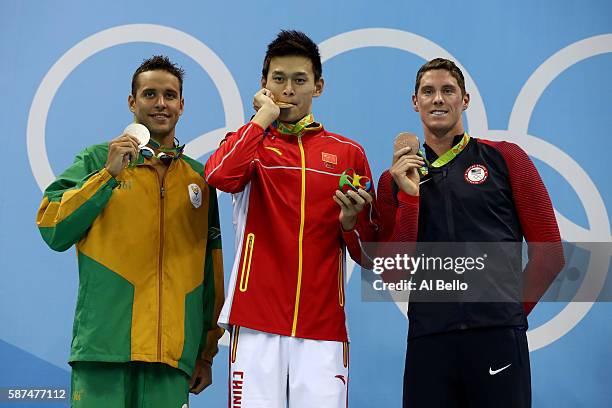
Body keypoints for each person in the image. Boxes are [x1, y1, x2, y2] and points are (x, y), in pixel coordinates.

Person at [36, 55, 225, 408]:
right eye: (150, 94)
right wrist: (107, 177)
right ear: (132, 102)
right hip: (104, 351)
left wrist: (206, 352)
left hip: (170, 360)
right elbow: (53, 228)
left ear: (182, 105)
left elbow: (210, 274)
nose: (160, 104)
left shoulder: (200, 179)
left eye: (170, 96)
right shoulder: (96, 161)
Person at [377, 58, 565, 408]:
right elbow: (393, 271)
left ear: (464, 100)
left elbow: (550, 254)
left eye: (447, 90)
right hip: (428, 342)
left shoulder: (506, 158)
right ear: (414, 102)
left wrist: (504, 314)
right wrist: (409, 195)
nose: (437, 99)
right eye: (428, 91)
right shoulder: (393, 180)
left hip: (497, 340)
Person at [205, 30, 378, 408]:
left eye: (299, 80)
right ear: (263, 84)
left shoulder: (348, 154)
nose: (288, 90)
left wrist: (350, 224)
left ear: (318, 85)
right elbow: (219, 177)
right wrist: (260, 121)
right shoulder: (246, 141)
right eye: (278, 79)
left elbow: (370, 255)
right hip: (255, 322)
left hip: (323, 327)